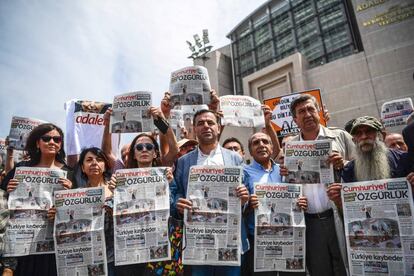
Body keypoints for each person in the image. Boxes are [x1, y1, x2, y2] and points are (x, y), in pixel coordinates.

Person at [282, 94, 354, 276]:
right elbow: (290, 188)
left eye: (310, 109)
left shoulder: (340, 137)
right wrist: (285, 176)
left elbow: (361, 172)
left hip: (339, 217)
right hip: (310, 223)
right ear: (295, 120)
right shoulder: (290, 148)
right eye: (301, 112)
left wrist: (344, 164)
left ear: (319, 112)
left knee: (347, 269)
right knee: (319, 270)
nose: (307, 114)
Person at [173, 109, 249, 276]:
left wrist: (245, 198)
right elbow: (177, 190)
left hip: (229, 240)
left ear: (218, 128)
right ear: (194, 128)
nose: (206, 126)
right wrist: (178, 202)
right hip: (197, 241)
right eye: (200, 123)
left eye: (210, 122)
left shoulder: (235, 158)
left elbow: (247, 190)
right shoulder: (184, 161)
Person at [1, 123, 74, 276]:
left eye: (57, 139)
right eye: (46, 138)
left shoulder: (69, 173)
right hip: (22, 245)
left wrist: (70, 194)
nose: (52, 142)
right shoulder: (21, 168)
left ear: (60, 144)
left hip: (54, 248)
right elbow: (3, 199)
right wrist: (9, 189)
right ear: (37, 143)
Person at [109, 132, 176, 275]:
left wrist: (168, 186)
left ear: (155, 153)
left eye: (149, 146)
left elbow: (174, 210)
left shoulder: (167, 177)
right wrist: (113, 191)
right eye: (139, 147)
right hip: (130, 247)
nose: (144, 149)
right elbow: (113, 211)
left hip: (158, 246)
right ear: (133, 154)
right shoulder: (120, 180)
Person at [244, 132, 307, 276]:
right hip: (259, 239)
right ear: (250, 150)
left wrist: (302, 202)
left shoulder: (285, 170)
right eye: (256, 143)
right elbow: (239, 205)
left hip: (289, 238)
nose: (261, 145)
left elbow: (299, 194)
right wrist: (248, 203)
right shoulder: (244, 172)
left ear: (272, 148)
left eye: (265, 142)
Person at [327, 116, 414, 207]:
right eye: (358, 134)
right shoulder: (349, 170)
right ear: (354, 140)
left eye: (369, 131)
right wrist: (338, 200)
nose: (364, 137)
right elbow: (349, 209)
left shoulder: (404, 159)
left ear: (382, 136)